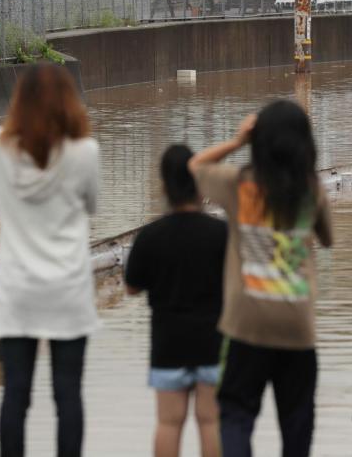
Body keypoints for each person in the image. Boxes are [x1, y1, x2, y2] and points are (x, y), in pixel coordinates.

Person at [188, 100, 333, 457]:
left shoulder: (238, 184)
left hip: (245, 326)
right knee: (297, 424)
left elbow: (194, 167)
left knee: (236, 415)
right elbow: (328, 238)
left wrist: (237, 142)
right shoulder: (311, 190)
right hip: (297, 328)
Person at [0, 63, 99, 457]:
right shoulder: (85, 151)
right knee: (68, 396)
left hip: (19, 289)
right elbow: (91, 204)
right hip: (69, 289)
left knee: (16, 394)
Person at [125, 144, 227, 457]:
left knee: (169, 423)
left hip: (168, 342)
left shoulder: (150, 236)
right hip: (213, 340)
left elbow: (131, 287)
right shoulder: (221, 233)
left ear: (165, 185)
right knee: (210, 421)